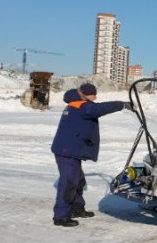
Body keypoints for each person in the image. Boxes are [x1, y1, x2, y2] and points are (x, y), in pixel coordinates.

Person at [50, 83, 130, 227]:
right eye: (94, 94)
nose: (96, 97)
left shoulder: (77, 105)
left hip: (69, 151)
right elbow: (100, 108)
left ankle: (77, 209)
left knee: (78, 181)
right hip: (67, 152)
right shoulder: (82, 106)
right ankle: (61, 216)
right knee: (68, 183)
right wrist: (122, 105)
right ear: (86, 94)